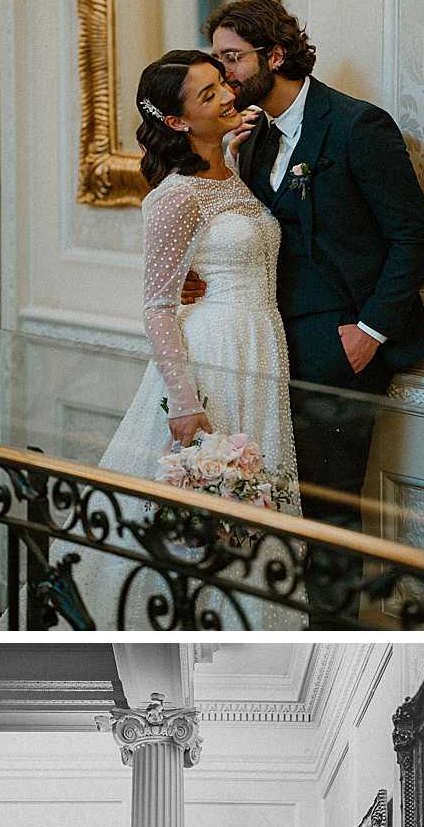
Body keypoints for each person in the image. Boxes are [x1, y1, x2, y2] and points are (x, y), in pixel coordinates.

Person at [204, 0, 424, 616]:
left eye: (232, 57)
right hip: (266, 344)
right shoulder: (250, 138)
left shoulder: (358, 126)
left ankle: (333, 632)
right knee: (275, 502)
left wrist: (369, 332)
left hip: (340, 348)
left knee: (331, 509)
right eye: (219, 58)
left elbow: (413, 237)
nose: (224, 72)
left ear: (275, 55)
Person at [71, 49, 303, 633]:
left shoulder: (229, 164)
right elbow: (157, 308)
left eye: (222, 82)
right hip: (215, 357)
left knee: (253, 506)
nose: (228, 94)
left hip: (260, 345)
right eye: (208, 95)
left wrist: (232, 145)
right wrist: (186, 402)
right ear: (177, 122)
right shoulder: (173, 196)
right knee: (206, 513)